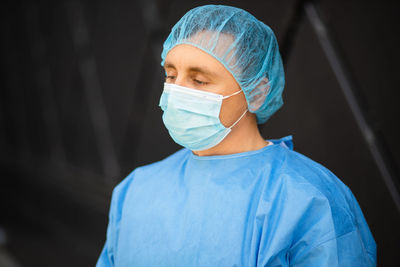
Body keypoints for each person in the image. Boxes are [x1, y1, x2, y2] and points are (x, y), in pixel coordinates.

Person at [96, 4, 376, 266]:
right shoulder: (136, 190)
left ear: (256, 92)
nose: (176, 92)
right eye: (171, 76)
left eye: (199, 79)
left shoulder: (310, 201)